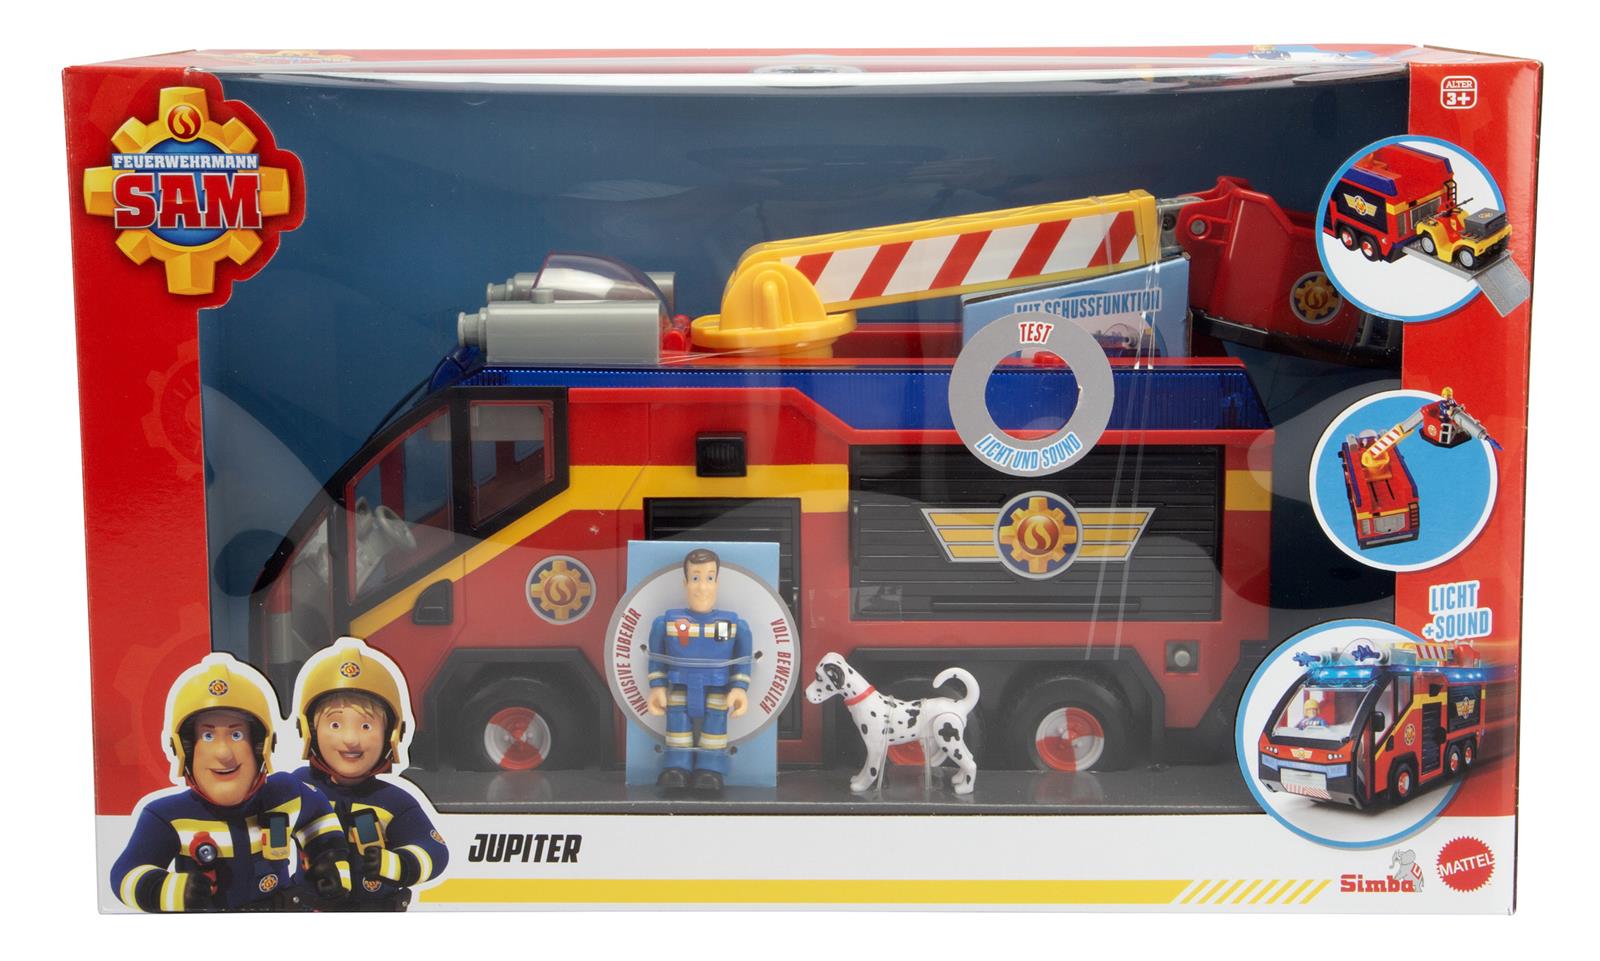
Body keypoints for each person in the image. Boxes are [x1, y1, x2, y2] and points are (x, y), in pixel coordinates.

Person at [110, 654, 352, 912]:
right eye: (208, 735)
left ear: (260, 746)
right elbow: (125, 875)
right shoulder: (168, 816)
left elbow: (319, 818)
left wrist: (330, 862)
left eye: (236, 735)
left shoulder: (287, 794)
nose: (224, 753)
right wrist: (171, 890)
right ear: (185, 749)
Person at [293, 637, 448, 910]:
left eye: (366, 726)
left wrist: (398, 864)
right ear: (310, 731)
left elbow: (435, 852)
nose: (351, 739)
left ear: (391, 734)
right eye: (335, 724)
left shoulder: (394, 802)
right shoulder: (297, 788)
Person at [646, 548, 752, 794]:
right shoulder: (666, 623)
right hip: (679, 685)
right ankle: (677, 766)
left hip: (717, 687)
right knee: (677, 724)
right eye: (695, 578)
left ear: (717, 582)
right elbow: (656, 657)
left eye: (709, 578)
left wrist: (739, 688)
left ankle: (710, 769)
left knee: (716, 725)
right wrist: (657, 687)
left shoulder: (731, 624)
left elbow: (743, 659)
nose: (702, 587)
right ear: (685, 582)